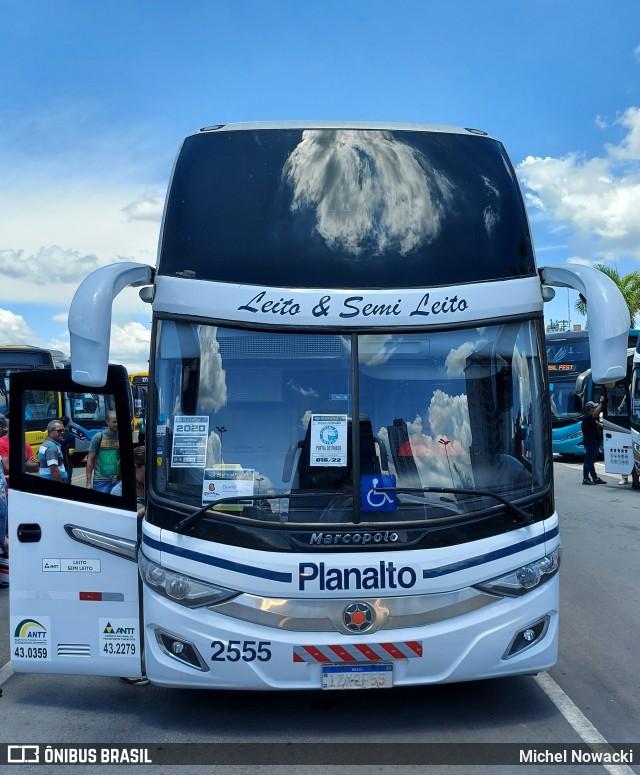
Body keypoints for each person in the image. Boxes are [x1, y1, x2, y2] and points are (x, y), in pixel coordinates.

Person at [114, 445, 149, 686]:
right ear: (136, 468)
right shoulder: (120, 490)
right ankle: (128, 666)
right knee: (131, 613)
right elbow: (115, 522)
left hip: (147, 556)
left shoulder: (151, 488)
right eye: (148, 470)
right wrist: (144, 512)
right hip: (127, 559)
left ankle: (144, 662)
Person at [0, 413, 39, 487]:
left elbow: (36, 468)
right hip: (7, 489)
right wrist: (27, 464)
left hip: (21, 486)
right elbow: (8, 468)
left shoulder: (25, 445)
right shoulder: (1, 442)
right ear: (7, 427)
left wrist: (16, 464)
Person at [86, 411, 120, 493]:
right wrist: (88, 482)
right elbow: (90, 460)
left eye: (118, 421)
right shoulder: (99, 437)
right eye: (114, 422)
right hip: (101, 481)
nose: (116, 424)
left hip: (118, 480)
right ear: (107, 422)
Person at [581, 397, 606, 485]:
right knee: (588, 460)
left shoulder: (591, 419)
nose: (596, 409)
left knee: (591, 461)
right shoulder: (587, 417)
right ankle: (585, 478)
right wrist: (601, 402)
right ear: (591, 409)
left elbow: (598, 423)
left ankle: (595, 478)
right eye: (594, 407)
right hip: (590, 442)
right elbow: (595, 413)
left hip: (593, 442)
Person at [59, 416, 75, 485]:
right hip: (66, 464)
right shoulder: (70, 436)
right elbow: (70, 453)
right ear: (68, 424)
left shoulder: (54, 435)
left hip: (55, 464)